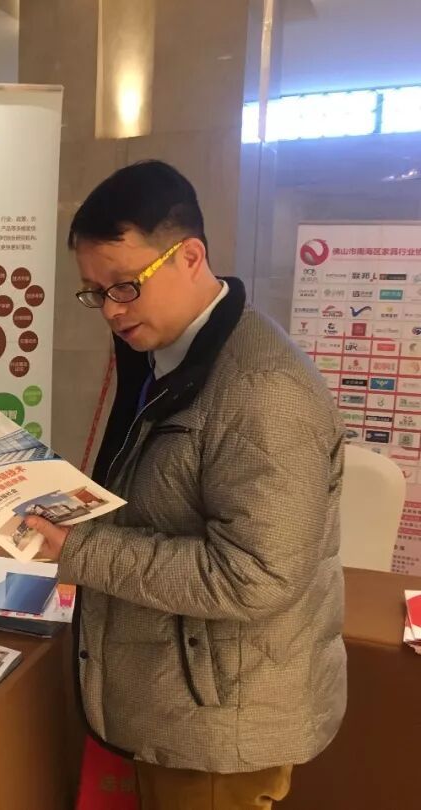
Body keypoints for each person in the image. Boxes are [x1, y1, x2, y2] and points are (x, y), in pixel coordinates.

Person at [26, 161, 346, 810]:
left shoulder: (263, 393)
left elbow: (256, 575)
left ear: (191, 257)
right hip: (184, 694)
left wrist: (80, 550)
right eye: (94, 292)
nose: (111, 311)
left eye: (125, 286)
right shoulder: (167, 353)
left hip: (220, 723)